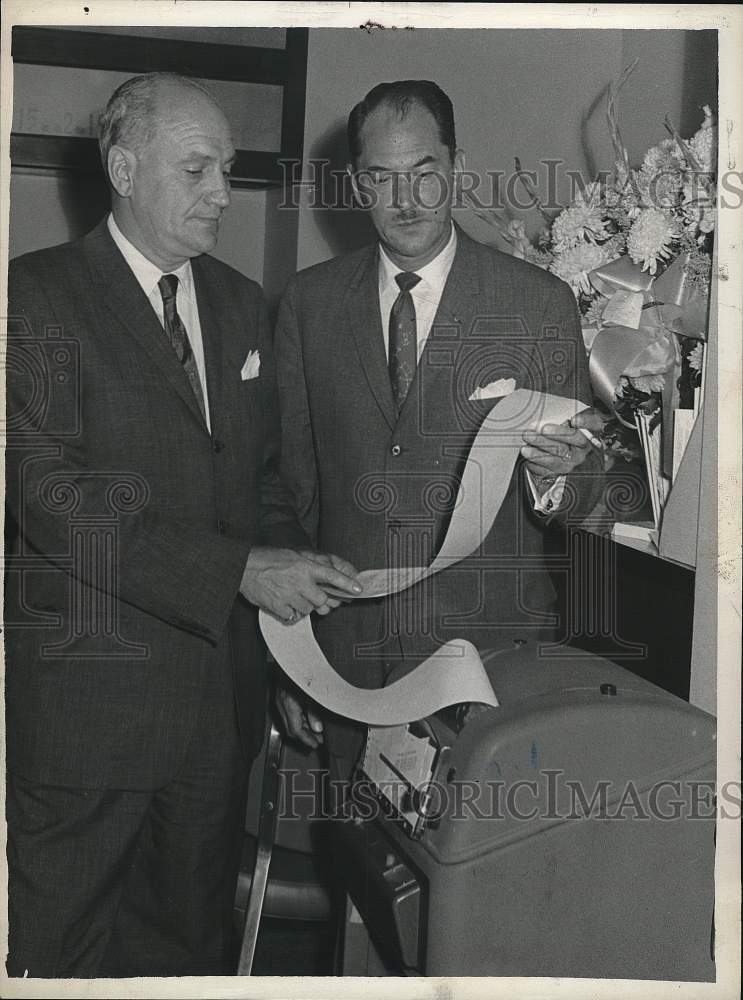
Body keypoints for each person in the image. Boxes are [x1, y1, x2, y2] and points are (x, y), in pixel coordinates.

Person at [3, 72, 361, 978]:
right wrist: (237, 570)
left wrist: (292, 608)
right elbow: (53, 497)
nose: (221, 192)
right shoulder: (32, 297)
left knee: (182, 964)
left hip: (214, 719)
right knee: (60, 960)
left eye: (227, 169)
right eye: (196, 169)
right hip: (87, 716)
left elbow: (262, 483)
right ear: (124, 170)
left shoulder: (242, 304)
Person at [274, 80, 604, 781]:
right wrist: (290, 653)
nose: (406, 200)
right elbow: (290, 493)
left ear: (456, 167)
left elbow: (584, 495)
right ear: (356, 185)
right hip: (347, 662)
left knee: (478, 854)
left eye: (424, 172)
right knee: (356, 847)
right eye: (381, 177)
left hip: (487, 661)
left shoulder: (537, 304)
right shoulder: (308, 305)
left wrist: (559, 477)